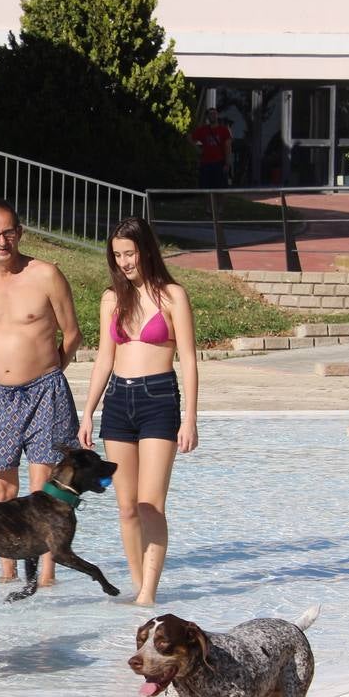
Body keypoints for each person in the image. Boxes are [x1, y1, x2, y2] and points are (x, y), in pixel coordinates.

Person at [0, 199, 82, 584]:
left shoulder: (45, 274)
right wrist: (3, 369)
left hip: (46, 389)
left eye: (9, 231)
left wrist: (49, 371)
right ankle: (8, 569)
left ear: (20, 232)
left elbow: (72, 333)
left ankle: (46, 573)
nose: (2, 240)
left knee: (43, 485)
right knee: (2, 485)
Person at [79, 217, 199, 607]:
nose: (124, 262)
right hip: (118, 401)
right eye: (117, 255)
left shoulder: (173, 296)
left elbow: (190, 361)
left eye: (129, 253)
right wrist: (87, 413)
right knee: (127, 506)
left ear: (146, 249)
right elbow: (103, 359)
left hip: (159, 398)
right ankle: (136, 586)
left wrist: (190, 419)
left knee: (151, 503)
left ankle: (149, 592)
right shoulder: (111, 298)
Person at [191, 107, 232, 189]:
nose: (213, 115)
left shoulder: (223, 130)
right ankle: (208, 202)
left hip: (219, 163)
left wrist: (227, 163)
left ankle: (219, 202)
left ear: (217, 115)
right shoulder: (203, 130)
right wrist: (198, 149)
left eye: (214, 113)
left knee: (220, 189)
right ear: (207, 117)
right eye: (210, 114)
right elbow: (190, 137)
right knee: (206, 189)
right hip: (206, 163)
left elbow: (228, 147)